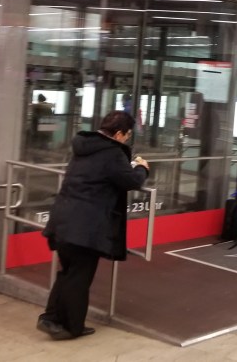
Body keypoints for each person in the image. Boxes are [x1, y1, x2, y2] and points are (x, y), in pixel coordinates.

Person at [38, 111, 149, 340]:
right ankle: (70, 327)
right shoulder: (112, 153)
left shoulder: (84, 147)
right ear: (119, 134)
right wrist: (142, 168)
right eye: (127, 135)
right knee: (79, 278)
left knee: (68, 273)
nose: (127, 139)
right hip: (85, 227)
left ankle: (50, 318)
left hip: (63, 220)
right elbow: (130, 181)